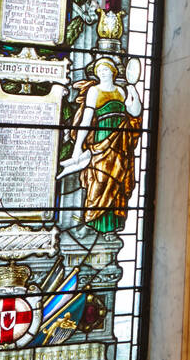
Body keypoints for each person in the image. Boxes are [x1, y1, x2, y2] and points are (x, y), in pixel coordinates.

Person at [57, 58, 143, 233]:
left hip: (121, 139)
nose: (102, 73)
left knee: (118, 179)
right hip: (101, 137)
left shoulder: (121, 90)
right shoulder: (94, 91)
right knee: (100, 179)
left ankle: (112, 225)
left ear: (113, 71)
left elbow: (135, 112)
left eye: (106, 69)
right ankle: (92, 221)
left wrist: (132, 89)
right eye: (100, 70)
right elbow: (86, 120)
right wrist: (77, 148)